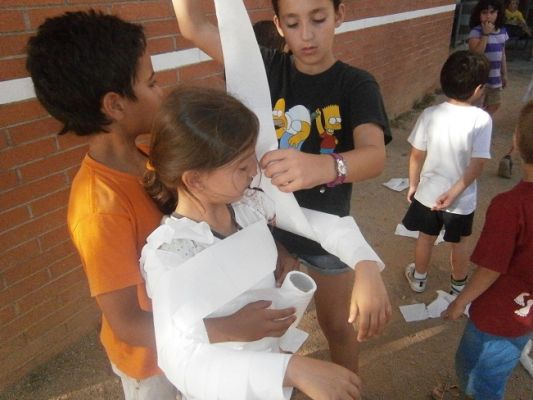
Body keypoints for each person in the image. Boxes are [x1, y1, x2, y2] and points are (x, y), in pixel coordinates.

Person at [25, 10, 296, 400]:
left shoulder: (155, 157)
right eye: (151, 82)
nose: (162, 92)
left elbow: (221, 219)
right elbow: (128, 323)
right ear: (115, 105)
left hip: (206, 331)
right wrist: (227, 329)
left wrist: (272, 249)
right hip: (152, 364)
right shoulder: (98, 208)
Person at [172, 0, 392, 374]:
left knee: (337, 325)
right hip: (266, 229)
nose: (306, 35)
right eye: (292, 23)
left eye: (318, 19)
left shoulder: (356, 84)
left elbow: (374, 156)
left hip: (326, 234)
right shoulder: (262, 67)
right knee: (270, 317)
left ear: (339, 15)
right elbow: (192, 25)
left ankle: (347, 389)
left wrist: (323, 166)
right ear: (277, 24)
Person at [141, 86, 363, 400]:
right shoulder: (170, 254)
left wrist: (365, 263)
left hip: (269, 365)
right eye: (242, 167)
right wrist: (233, 331)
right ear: (195, 179)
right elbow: (179, 356)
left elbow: (319, 224)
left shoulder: (249, 208)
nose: (255, 171)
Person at [438, 100, 533, 400]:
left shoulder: (510, 207)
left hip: (498, 316)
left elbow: (491, 268)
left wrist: (460, 301)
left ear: (516, 142)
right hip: (526, 312)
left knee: (478, 373)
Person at [402, 50, 492, 296]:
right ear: (478, 89)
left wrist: (413, 184)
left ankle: (419, 279)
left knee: (425, 237)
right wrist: (454, 193)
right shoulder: (482, 119)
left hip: (428, 194)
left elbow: (416, 155)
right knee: (459, 242)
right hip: (461, 199)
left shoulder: (430, 114)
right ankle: (458, 286)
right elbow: (478, 164)